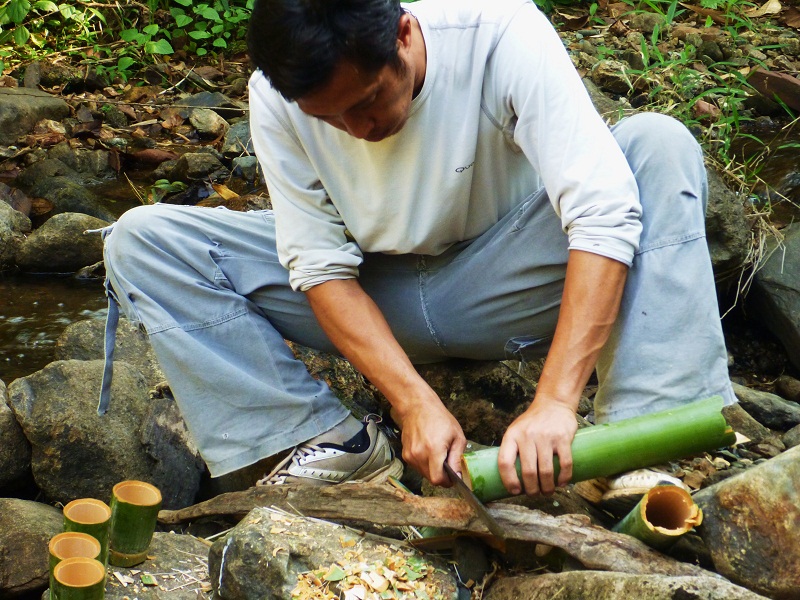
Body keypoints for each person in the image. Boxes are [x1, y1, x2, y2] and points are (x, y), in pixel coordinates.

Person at [101, 0, 735, 496]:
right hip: (382, 295)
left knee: (658, 143)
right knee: (144, 239)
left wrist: (553, 403)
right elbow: (318, 266)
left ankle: (643, 442)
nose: (359, 131)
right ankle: (324, 442)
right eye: (331, 120)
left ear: (403, 35)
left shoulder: (498, 32)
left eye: (367, 100)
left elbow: (600, 214)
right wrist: (413, 404)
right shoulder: (278, 96)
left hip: (508, 278)